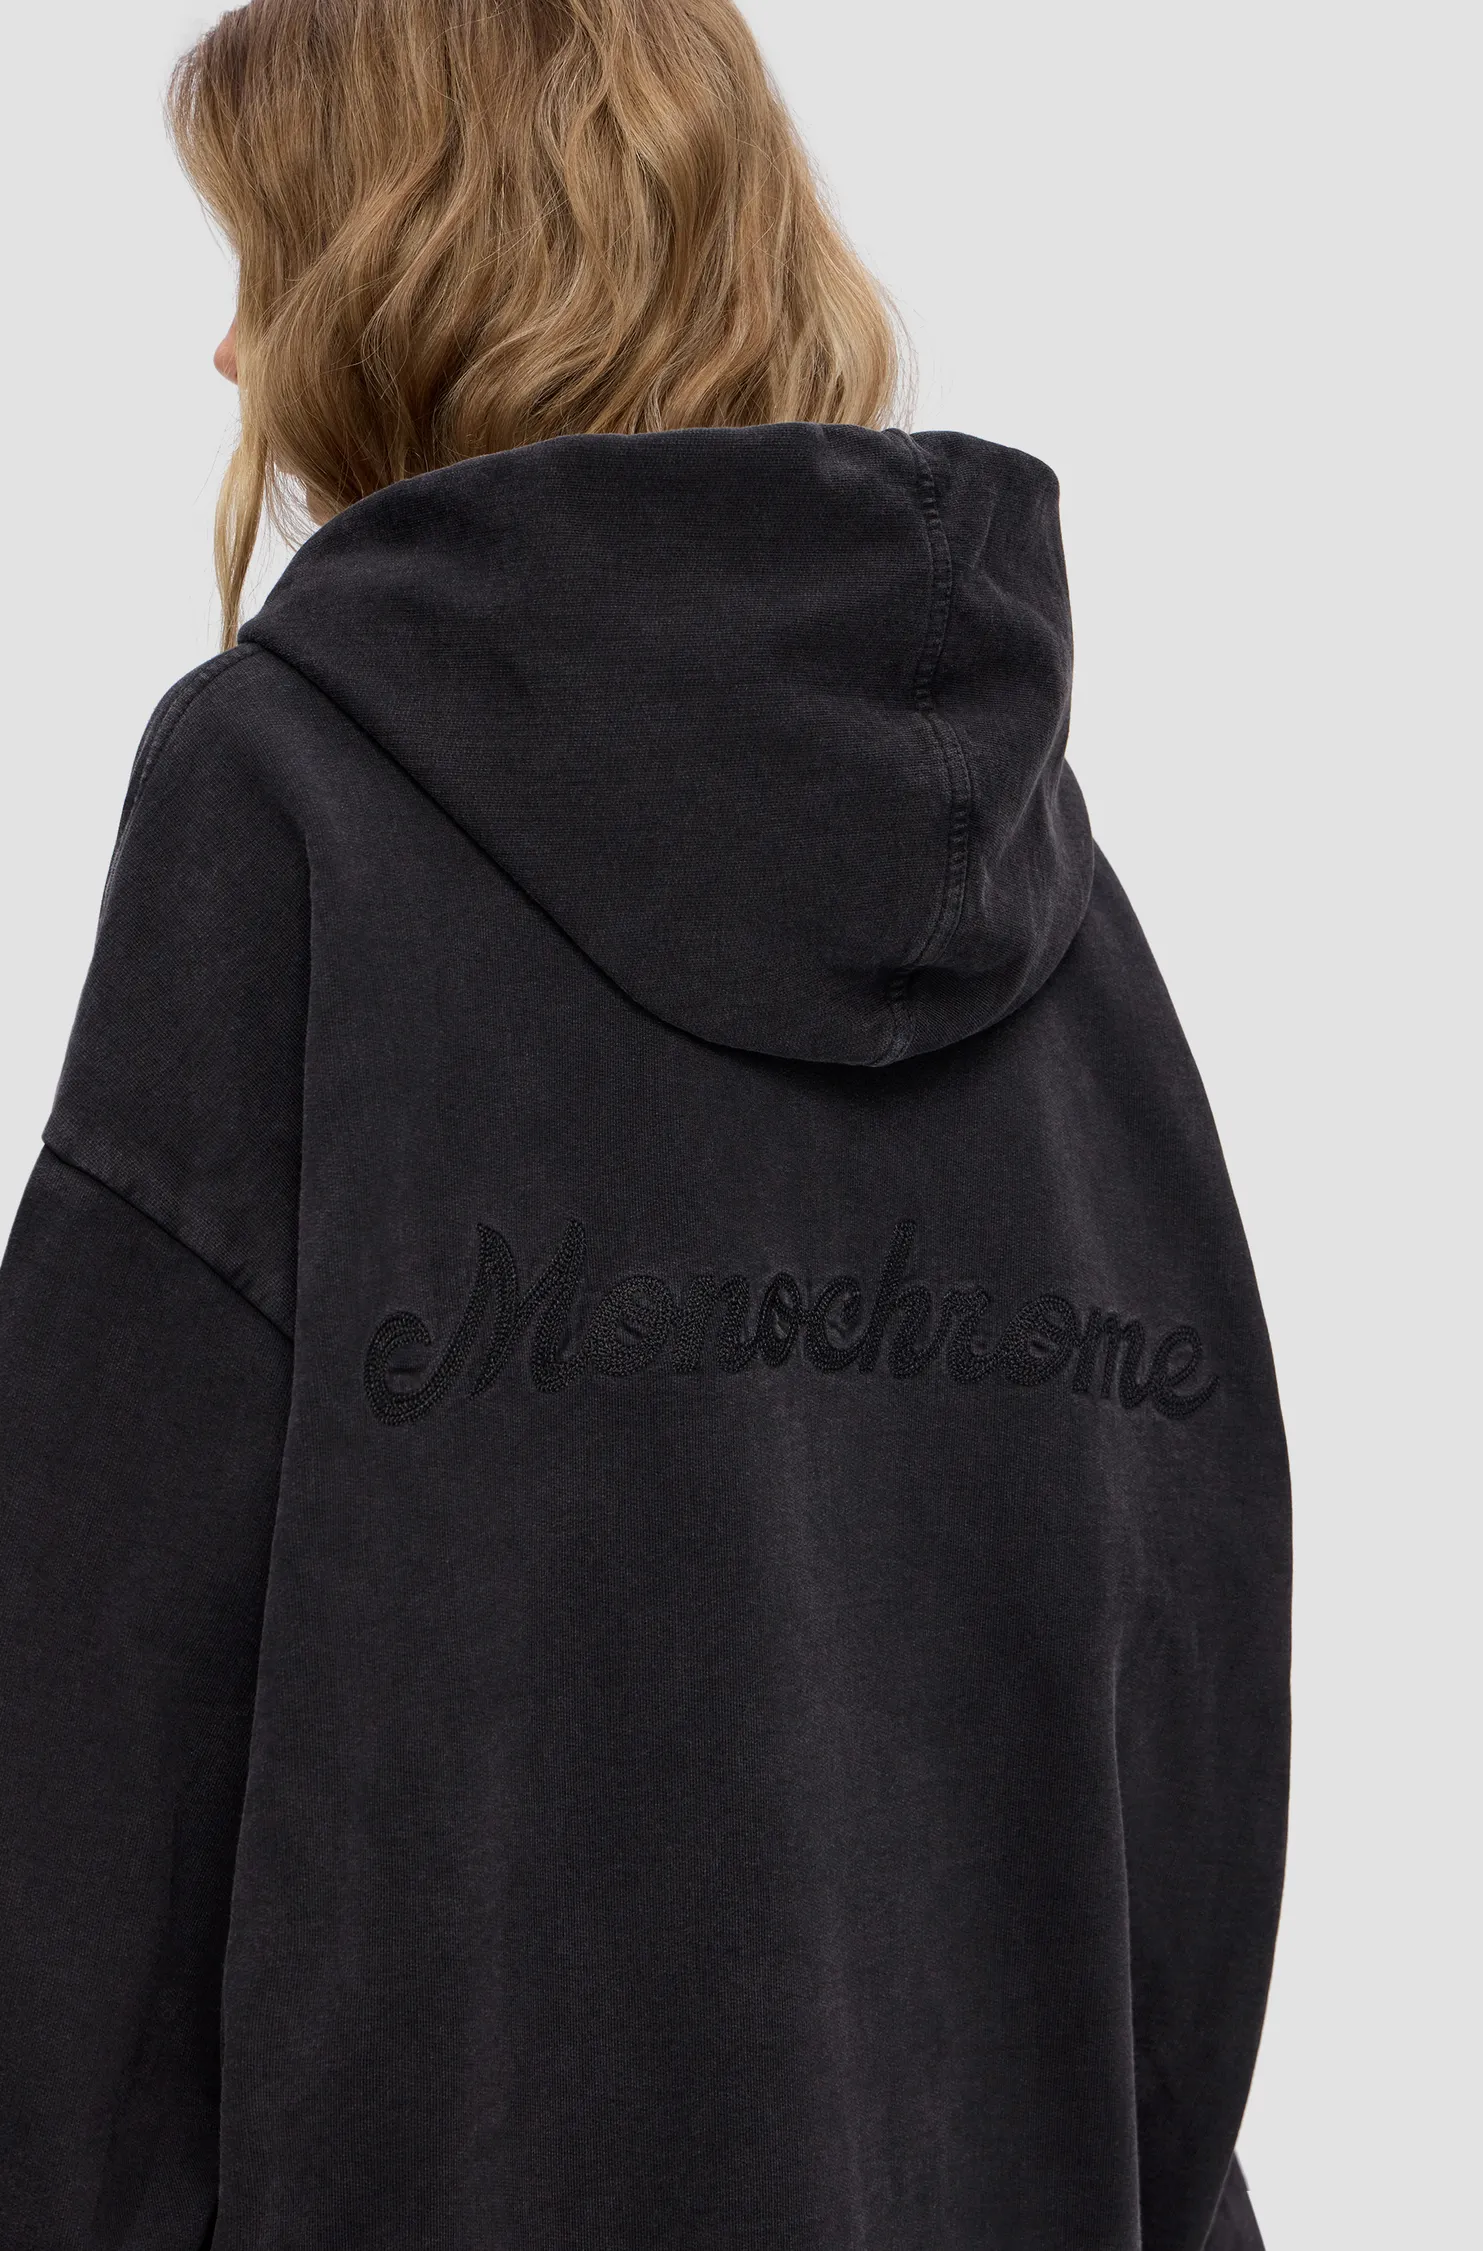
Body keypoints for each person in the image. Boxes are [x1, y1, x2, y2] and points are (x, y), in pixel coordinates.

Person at [0, 2, 1289, 2245]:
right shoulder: (1061, 910)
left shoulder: (283, 810)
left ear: (406, 279)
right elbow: (1188, 1800)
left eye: (264, 264)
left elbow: (76, 1787)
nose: (226, 352)